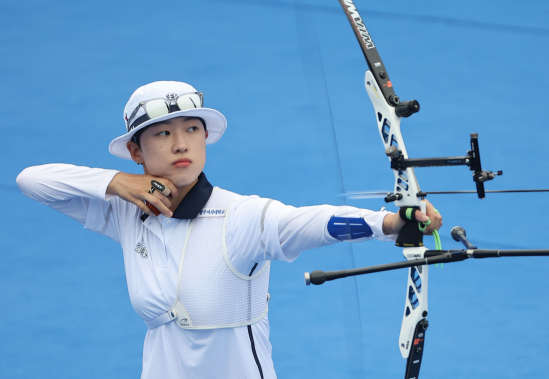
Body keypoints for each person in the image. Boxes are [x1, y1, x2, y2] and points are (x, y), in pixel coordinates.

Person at [16, 81, 442, 379]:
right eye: (162, 134)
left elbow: (310, 222)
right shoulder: (128, 212)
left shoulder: (241, 217)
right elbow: (32, 180)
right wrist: (116, 182)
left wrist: (392, 222)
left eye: (192, 130)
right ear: (135, 151)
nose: (181, 144)